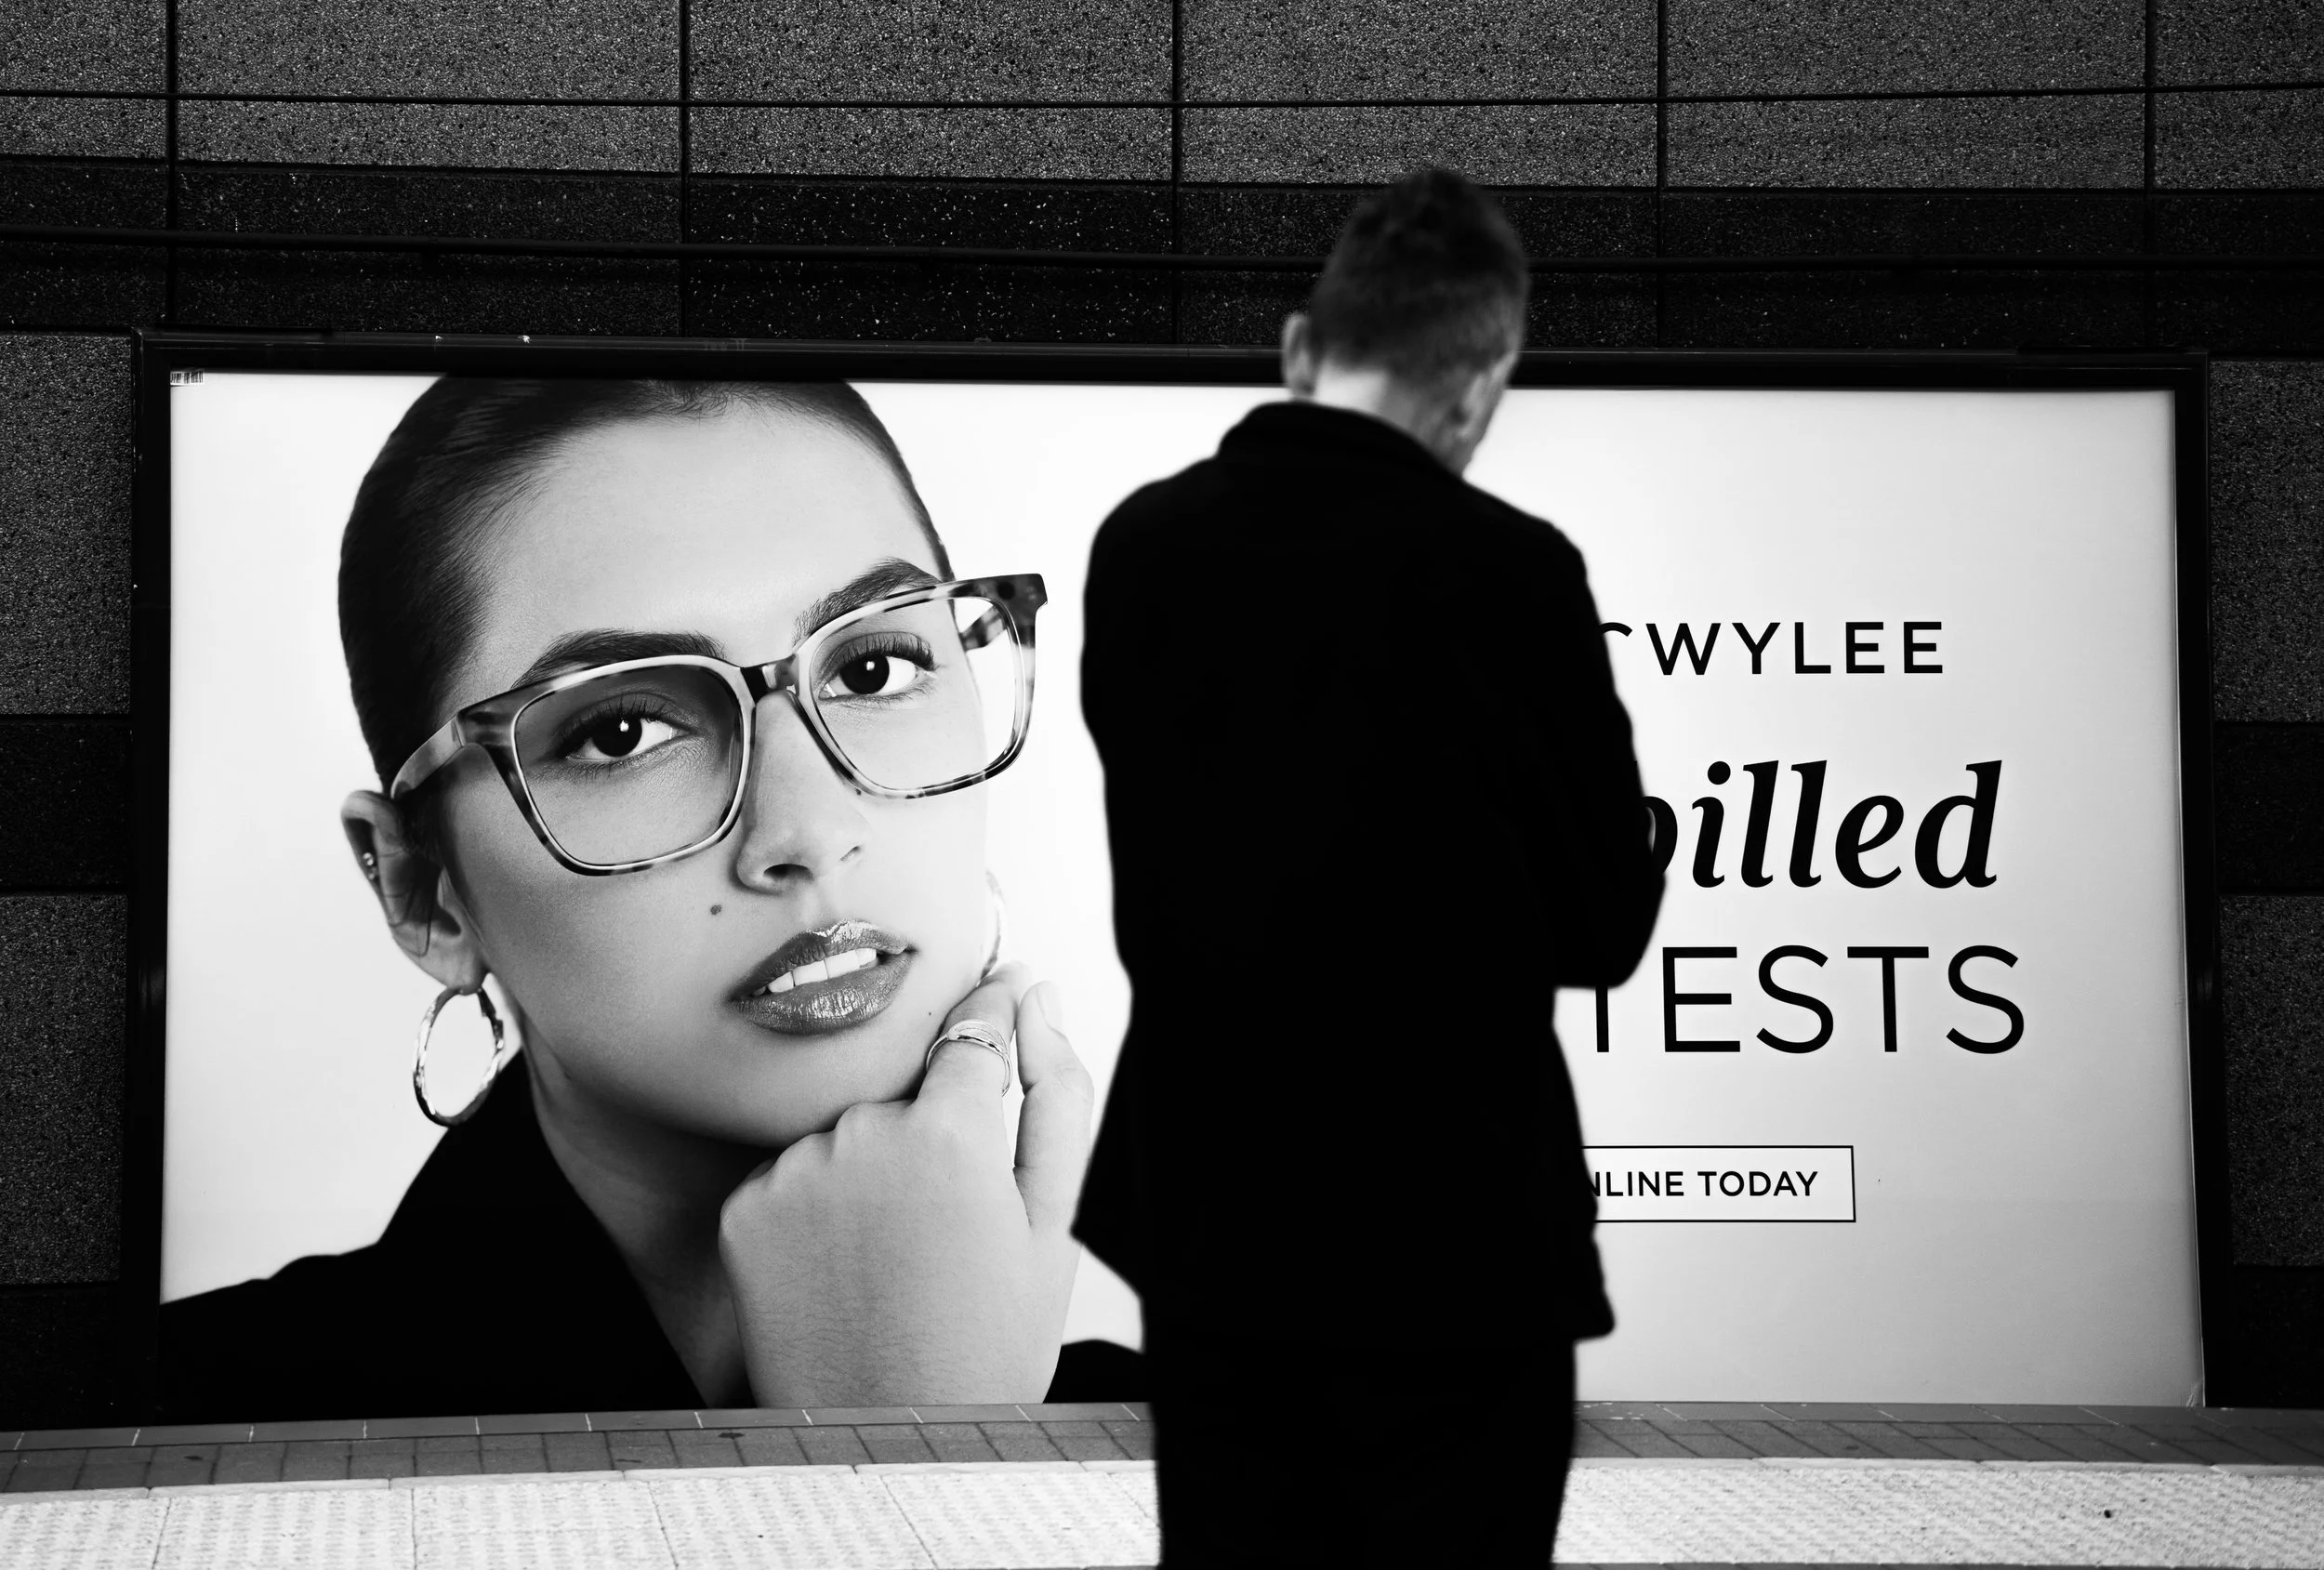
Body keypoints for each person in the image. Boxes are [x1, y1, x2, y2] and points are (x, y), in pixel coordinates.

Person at [159, 377, 1116, 1419]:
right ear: (423, 891)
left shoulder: (1224, 1439)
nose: (807, 831)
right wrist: (906, 1461)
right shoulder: (169, 1432)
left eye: (876, 668)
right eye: (620, 734)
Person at [1073, 169, 1664, 1563]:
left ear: (1298, 348)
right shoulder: (1513, 573)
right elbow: (1596, 925)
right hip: (1452, 1240)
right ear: (1477, 390)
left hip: (1215, 1222)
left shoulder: (1143, 549)